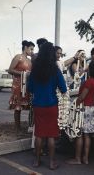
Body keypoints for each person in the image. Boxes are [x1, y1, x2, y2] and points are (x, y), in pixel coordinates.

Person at [28, 42, 67, 170]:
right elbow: (63, 88)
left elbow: (30, 88)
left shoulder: (35, 70)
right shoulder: (55, 70)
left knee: (39, 134)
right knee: (51, 135)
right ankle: (51, 162)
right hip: (51, 106)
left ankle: (37, 161)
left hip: (38, 105)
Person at [66, 60, 94, 165]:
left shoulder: (89, 82)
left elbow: (82, 97)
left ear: (90, 69)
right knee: (87, 136)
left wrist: (74, 105)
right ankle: (85, 158)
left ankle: (77, 159)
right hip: (91, 109)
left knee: (79, 135)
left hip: (83, 109)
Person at [8, 40, 35, 133]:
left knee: (27, 105)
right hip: (18, 85)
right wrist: (23, 74)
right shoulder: (18, 57)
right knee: (17, 106)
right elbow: (10, 70)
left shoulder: (29, 60)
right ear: (26, 48)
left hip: (27, 85)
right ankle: (17, 127)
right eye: (31, 49)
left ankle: (29, 125)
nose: (32, 51)